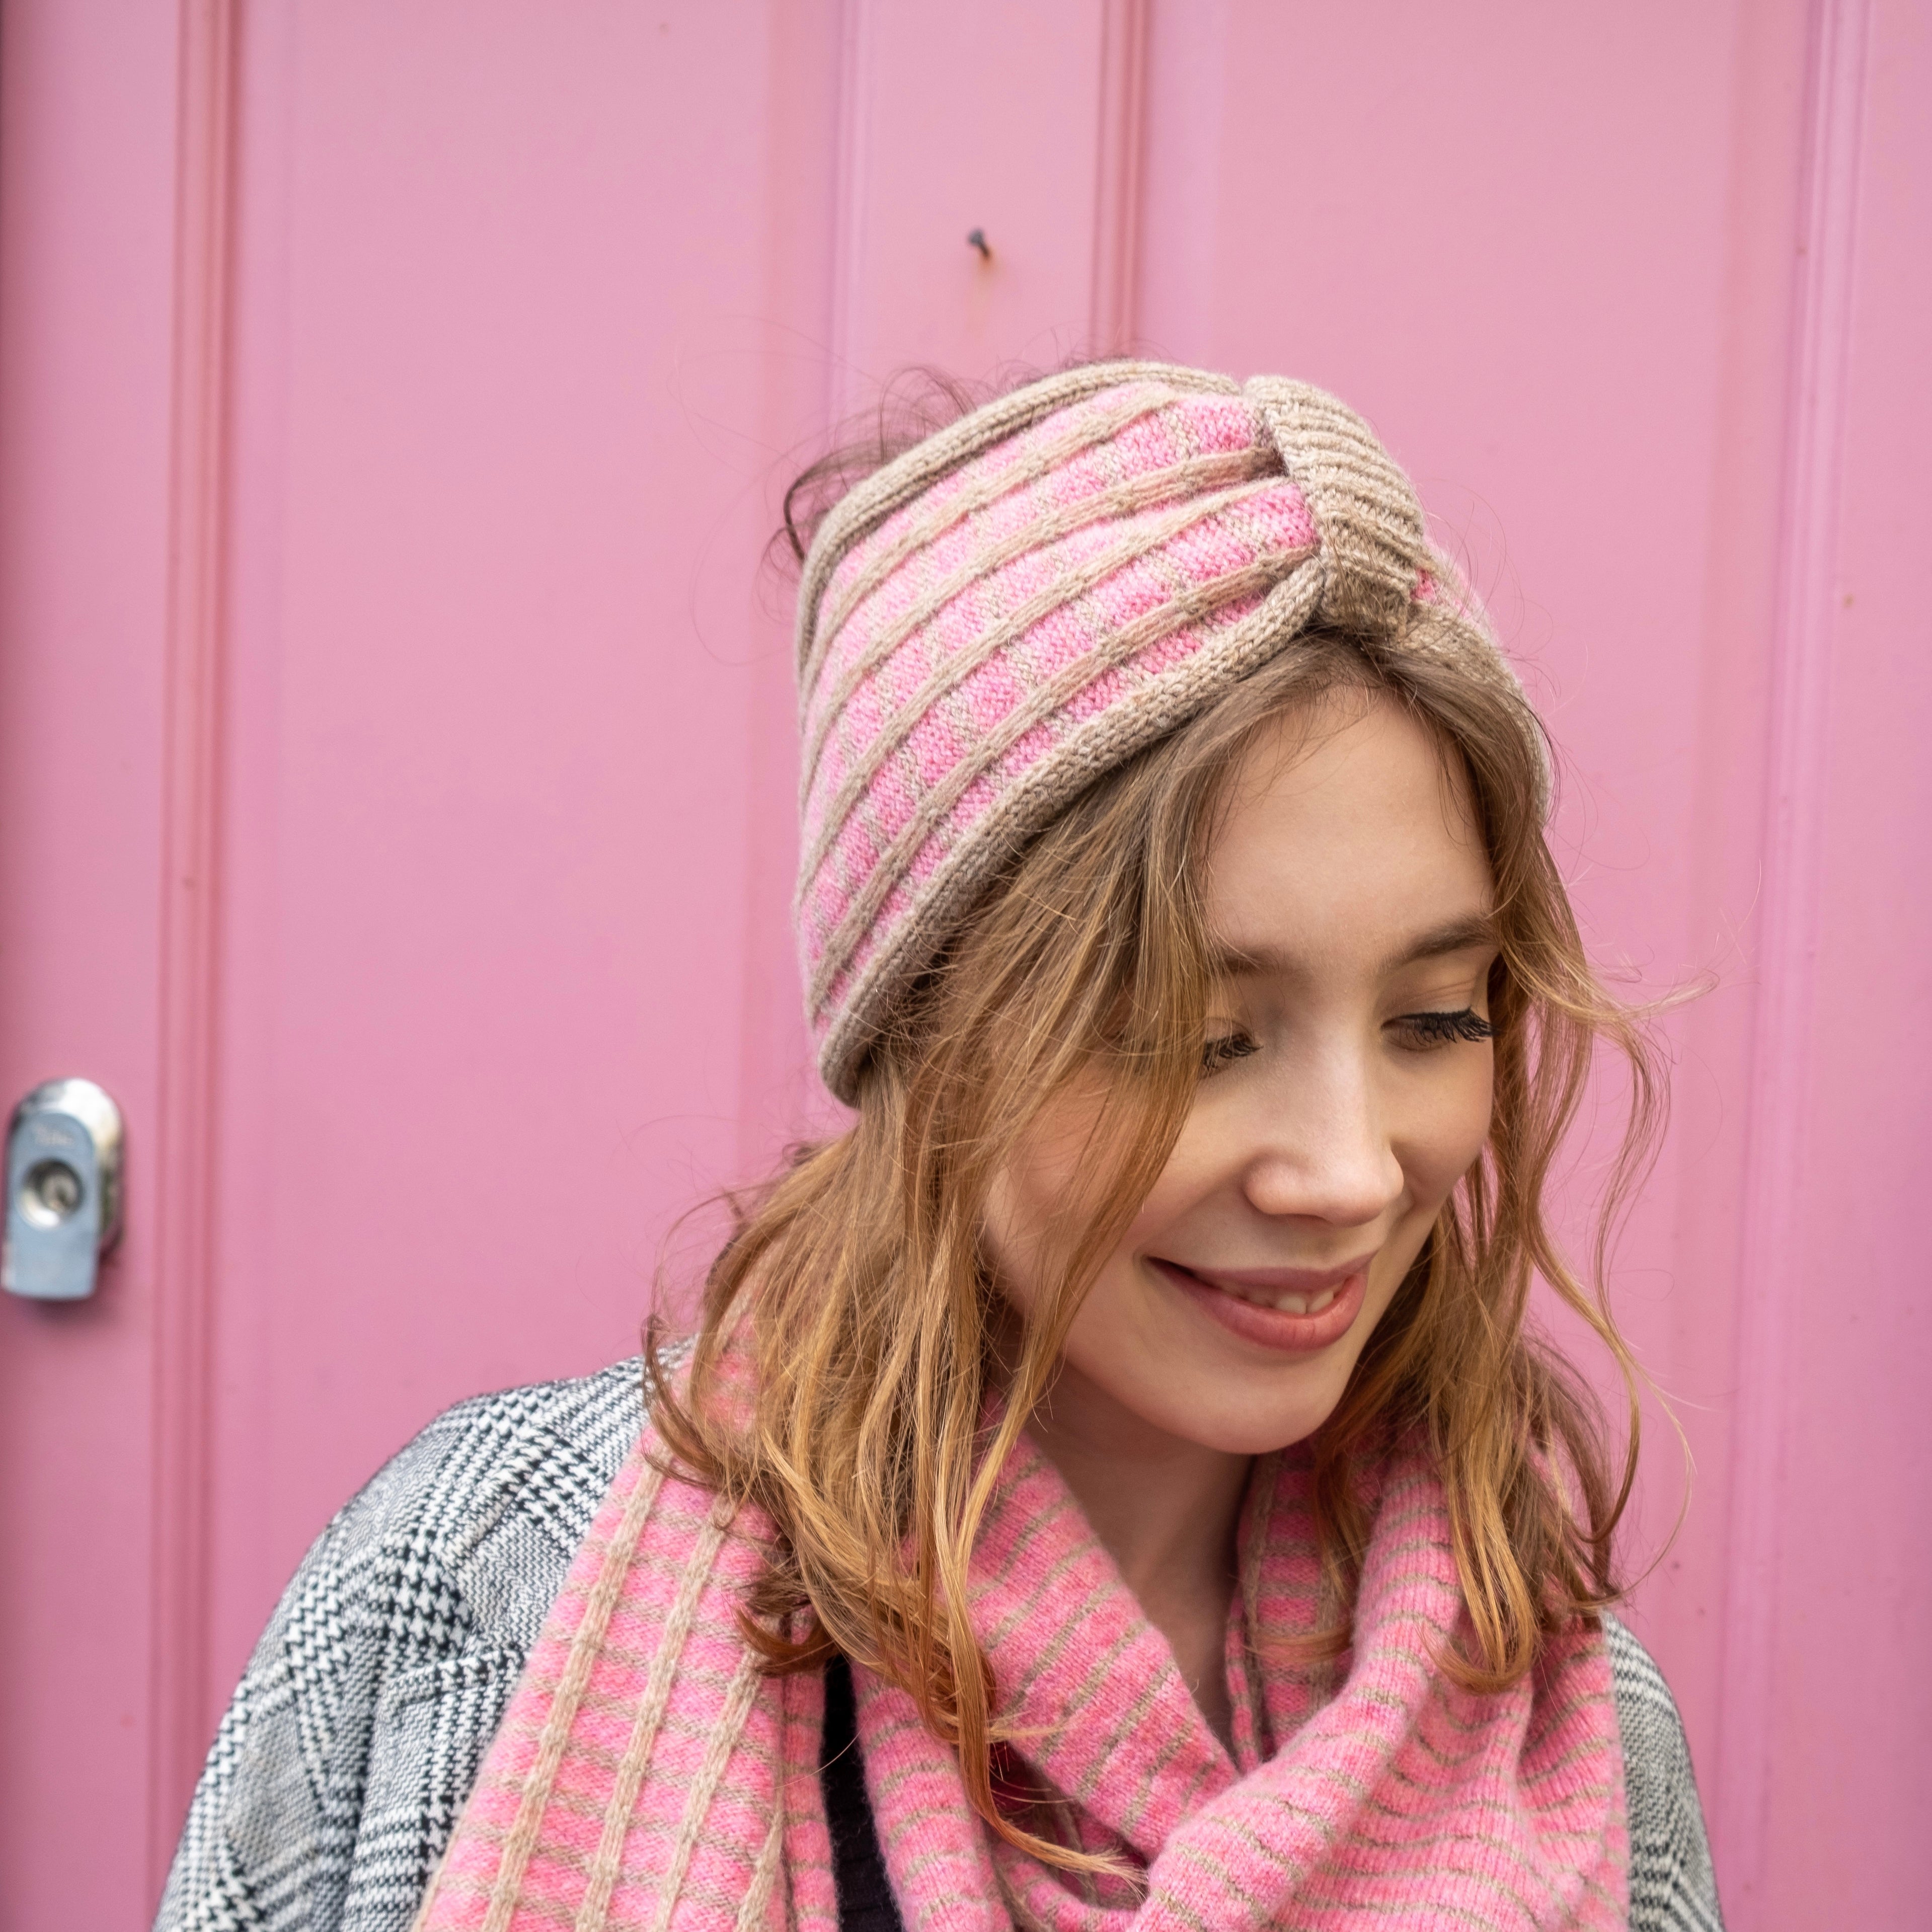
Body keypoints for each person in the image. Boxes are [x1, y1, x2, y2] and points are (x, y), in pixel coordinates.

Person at [157, 363, 1724, 1932]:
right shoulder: (478, 1591)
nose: (1350, 1173)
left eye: (1438, 1017)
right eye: (1198, 1034)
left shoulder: (1555, 1720)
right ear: (929, 1029)